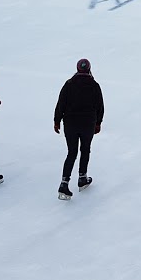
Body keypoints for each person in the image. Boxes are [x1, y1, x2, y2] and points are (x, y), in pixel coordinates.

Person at [54, 58, 104, 201]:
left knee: (72, 152)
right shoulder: (94, 85)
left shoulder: (69, 84)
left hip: (70, 123)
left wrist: (57, 121)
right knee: (85, 149)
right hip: (88, 123)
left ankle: (64, 183)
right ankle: (82, 177)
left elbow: (61, 104)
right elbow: (100, 106)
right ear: (89, 69)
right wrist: (98, 123)